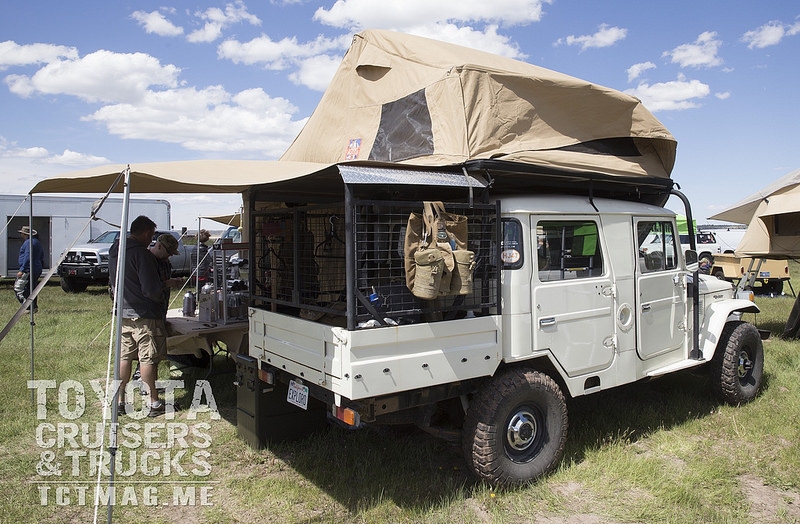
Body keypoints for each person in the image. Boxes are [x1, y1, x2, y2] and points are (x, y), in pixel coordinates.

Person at [108, 215, 168, 417]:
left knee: (125, 357)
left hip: (123, 312)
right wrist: (160, 295)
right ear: (145, 233)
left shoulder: (116, 249)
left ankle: (120, 400)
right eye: (150, 235)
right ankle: (154, 402)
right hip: (144, 314)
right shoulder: (142, 255)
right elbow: (150, 289)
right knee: (148, 357)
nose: (151, 240)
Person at [15, 225, 45, 311]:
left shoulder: (28, 242)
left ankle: (27, 307)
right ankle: (34, 307)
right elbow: (41, 256)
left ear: (26, 234)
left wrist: (22, 269)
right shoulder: (37, 242)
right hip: (36, 268)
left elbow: (28, 256)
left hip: (28, 269)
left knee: (18, 288)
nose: (21, 235)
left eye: (22, 233)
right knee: (31, 288)